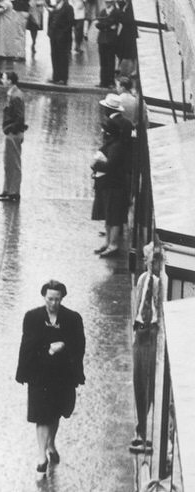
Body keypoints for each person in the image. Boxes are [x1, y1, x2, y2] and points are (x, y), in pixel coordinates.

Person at [15, 279, 86, 474]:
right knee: (41, 415)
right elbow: (26, 346)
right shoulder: (32, 317)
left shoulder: (72, 319)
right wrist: (23, 372)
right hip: (39, 376)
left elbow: (80, 346)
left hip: (61, 376)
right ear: (44, 297)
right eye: (49, 299)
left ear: (62, 298)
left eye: (56, 299)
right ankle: (41, 456)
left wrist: (64, 346)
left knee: (55, 414)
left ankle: (51, 444)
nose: (53, 303)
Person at [132, 244, 165, 452]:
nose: (154, 265)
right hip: (140, 332)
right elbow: (139, 303)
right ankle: (141, 428)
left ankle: (146, 431)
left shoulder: (162, 283)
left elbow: (160, 310)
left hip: (152, 332)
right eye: (151, 261)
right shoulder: (143, 279)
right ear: (146, 261)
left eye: (157, 262)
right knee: (139, 379)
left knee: (150, 381)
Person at [91, 109, 132, 258]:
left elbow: (110, 166)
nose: (102, 131)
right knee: (109, 215)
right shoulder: (112, 144)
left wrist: (96, 165)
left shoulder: (116, 146)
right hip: (109, 186)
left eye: (105, 130)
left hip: (115, 186)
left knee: (114, 217)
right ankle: (108, 242)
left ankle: (113, 244)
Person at [0, 71, 27, 201]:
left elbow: (19, 117)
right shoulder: (13, 94)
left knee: (13, 163)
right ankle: (7, 189)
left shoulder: (15, 96)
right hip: (12, 132)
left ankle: (13, 192)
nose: (2, 80)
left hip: (13, 133)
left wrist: (10, 128)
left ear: (10, 81)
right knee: (8, 162)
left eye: (4, 78)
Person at [47, 0, 74, 85]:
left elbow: (70, 23)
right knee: (54, 55)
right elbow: (50, 20)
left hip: (63, 36)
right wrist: (49, 32)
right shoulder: (55, 7)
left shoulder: (68, 8)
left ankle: (63, 78)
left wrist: (62, 33)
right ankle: (56, 76)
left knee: (63, 57)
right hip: (54, 36)